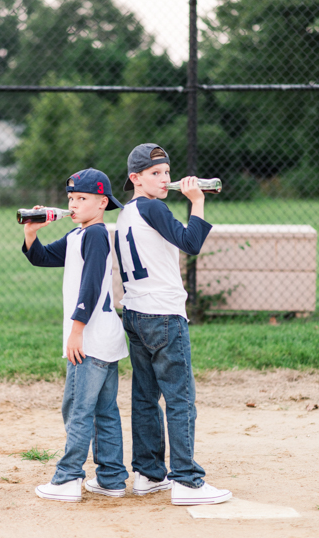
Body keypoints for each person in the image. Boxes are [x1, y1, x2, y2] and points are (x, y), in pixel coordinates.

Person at [115, 143, 231, 506]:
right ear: (136, 178)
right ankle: (187, 481)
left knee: (146, 396)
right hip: (163, 314)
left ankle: (149, 474)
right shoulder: (152, 206)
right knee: (180, 399)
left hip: (134, 313)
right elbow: (191, 242)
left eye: (166, 172)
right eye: (155, 174)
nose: (165, 179)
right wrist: (197, 201)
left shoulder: (128, 212)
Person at [23, 168, 129, 502]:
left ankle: (68, 478)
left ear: (101, 203)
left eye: (82, 198)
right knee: (104, 410)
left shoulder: (96, 234)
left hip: (91, 339)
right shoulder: (76, 236)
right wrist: (31, 233)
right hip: (105, 340)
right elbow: (41, 257)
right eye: (71, 198)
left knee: (77, 409)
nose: (74, 204)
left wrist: (76, 330)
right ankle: (111, 478)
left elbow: (93, 284)